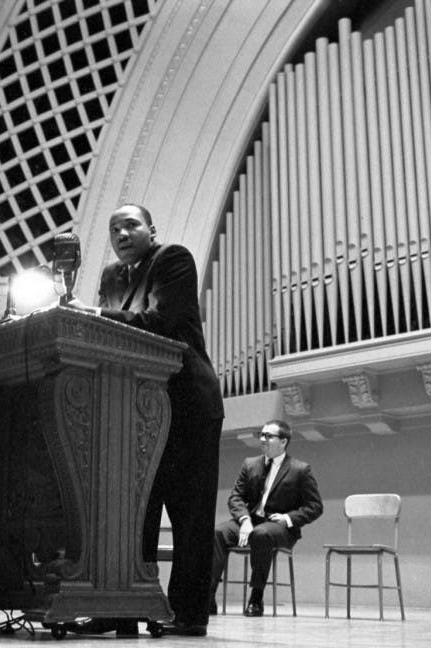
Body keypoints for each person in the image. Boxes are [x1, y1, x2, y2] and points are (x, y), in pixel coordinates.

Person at [64, 204, 224, 637]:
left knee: (190, 516)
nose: (121, 233)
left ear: (152, 230)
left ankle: (188, 615)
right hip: (132, 407)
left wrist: (93, 316)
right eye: (114, 228)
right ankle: (120, 607)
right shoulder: (111, 278)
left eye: (131, 224)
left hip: (187, 401)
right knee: (131, 512)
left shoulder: (173, 259)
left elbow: (159, 324)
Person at [210, 419, 322, 617]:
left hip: (280, 529)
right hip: (250, 521)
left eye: (269, 436)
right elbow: (236, 497)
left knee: (261, 534)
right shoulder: (250, 464)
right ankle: (208, 597)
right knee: (218, 532)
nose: (263, 439)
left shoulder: (300, 470)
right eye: (261, 435)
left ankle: (256, 596)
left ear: (283, 441)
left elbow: (315, 507)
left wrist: (288, 518)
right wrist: (244, 520)